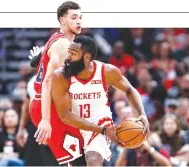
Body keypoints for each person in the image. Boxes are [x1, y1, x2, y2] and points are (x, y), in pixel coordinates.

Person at [50, 35, 149, 166]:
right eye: (69, 51)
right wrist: (101, 130)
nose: (68, 57)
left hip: (100, 122)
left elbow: (129, 90)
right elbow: (65, 115)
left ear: (86, 57)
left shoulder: (107, 71)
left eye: (73, 53)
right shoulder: (60, 76)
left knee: (93, 160)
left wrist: (142, 114)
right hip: (73, 124)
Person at [29, 1, 86, 165]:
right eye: (73, 17)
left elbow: (44, 61)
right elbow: (47, 82)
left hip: (46, 103)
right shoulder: (63, 45)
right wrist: (46, 119)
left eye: (80, 17)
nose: (79, 21)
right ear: (62, 21)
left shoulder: (59, 40)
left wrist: (37, 61)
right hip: (49, 106)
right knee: (77, 160)